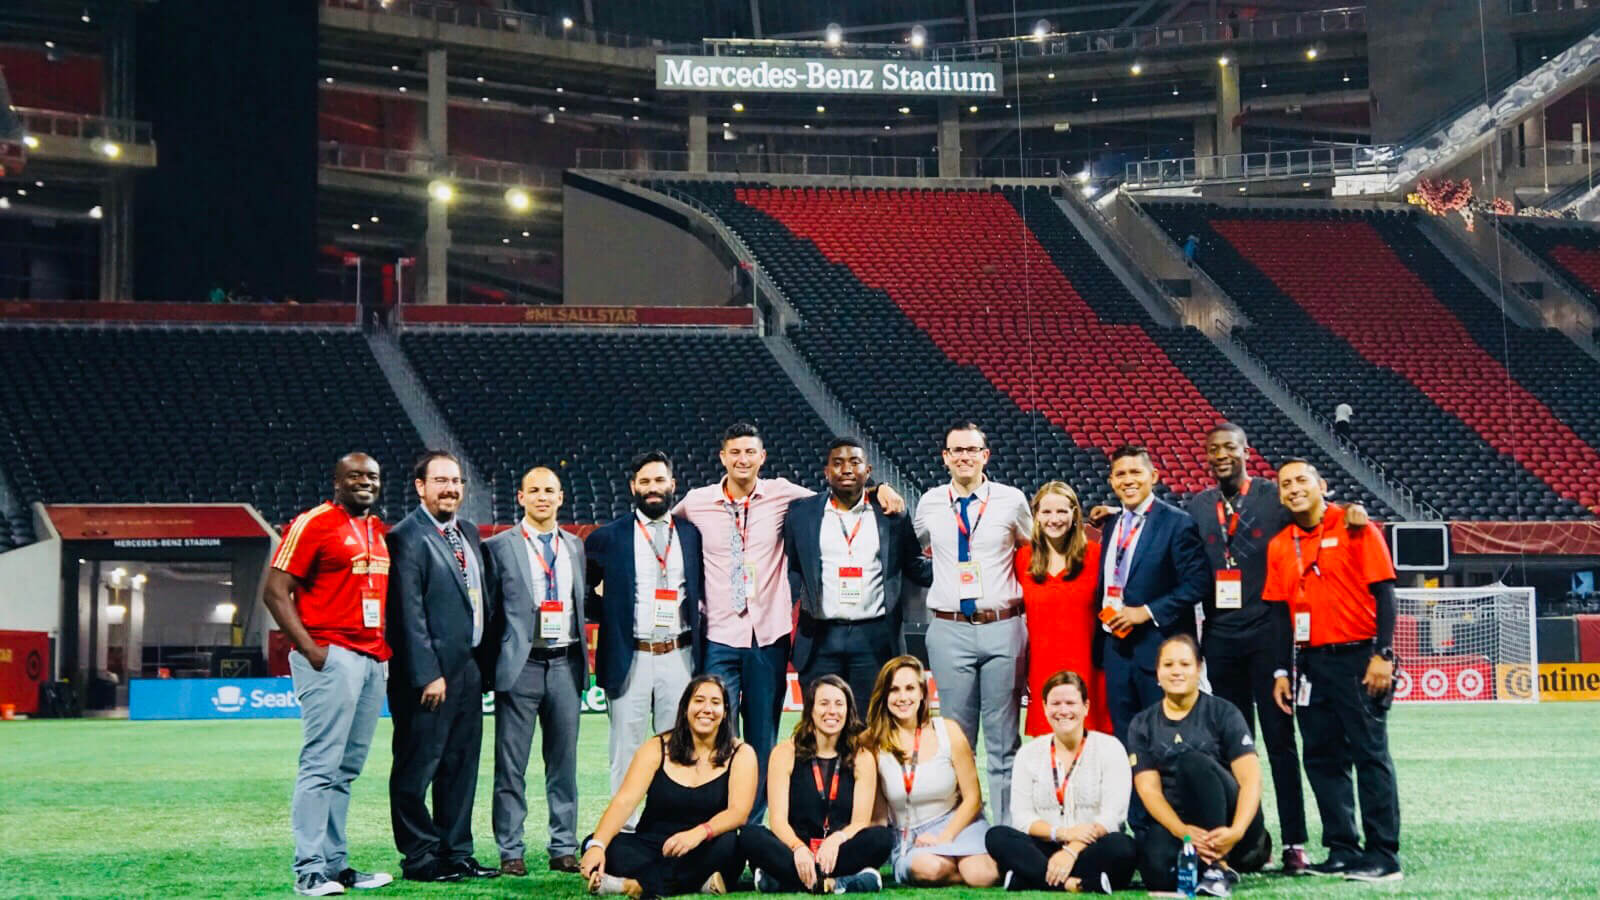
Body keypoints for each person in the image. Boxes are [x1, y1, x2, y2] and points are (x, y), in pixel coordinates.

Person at [675, 422, 902, 822]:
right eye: (735, 453)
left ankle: (754, 822)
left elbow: (840, 491)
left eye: (750, 453)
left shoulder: (784, 495)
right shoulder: (696, 502)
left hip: (768, 636)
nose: (743, 460)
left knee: (763, 735)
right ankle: (713, 817)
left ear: (762, 458)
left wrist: (877, 487)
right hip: (719, 637)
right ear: (723, 458)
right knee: (712, 730)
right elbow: (661, 527)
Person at [1183, 424, 1368, 874]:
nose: (1221, 454)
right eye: (1213, 450)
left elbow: (1315, 513)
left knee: (1281, 743)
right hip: (1221, 638)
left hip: (1269, 636)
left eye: (1230, 447)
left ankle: (1295, 842)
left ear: (1246, 451)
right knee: (1232, 746)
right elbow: (1166, 530)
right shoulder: (1198, 505)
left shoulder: (1271, 496)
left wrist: (1351, 512)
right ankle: (1248, 839)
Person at [262, 452, 395, 897]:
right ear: (337, 481)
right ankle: (309, 870)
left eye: (372, 476)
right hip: (333, 655)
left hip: (373, 658)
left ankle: (337, 866)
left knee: (346, 769)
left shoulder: (376, 530)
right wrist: (312, 650)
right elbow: (275, 591)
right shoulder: (313, 522)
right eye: (355, 475)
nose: (365, 482)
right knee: (321, 764)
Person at [1266, 459, 1402, 883]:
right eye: (1285, 484)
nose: (1293, 489)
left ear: (1322, 485)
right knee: (1322, 757)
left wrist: (1384, 654)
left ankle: (1383, 855)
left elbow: (1385, 593)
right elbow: (1276, 616)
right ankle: (1342, 848)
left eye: (1301, 480)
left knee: (1369, 754)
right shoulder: (1280, 544)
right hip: (1308, 662)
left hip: (1359, 658)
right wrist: (1280, 672)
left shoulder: (1357, 526)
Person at [912, 422, 1032, 825]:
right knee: (956, 741)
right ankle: (962, 828)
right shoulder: (929, 503)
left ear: (986, 455)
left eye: (971, 449)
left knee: (1003, 741)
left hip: (1003, 625)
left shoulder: (1011, 501)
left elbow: (1036, 548)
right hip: (949, 629)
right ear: (945, 457)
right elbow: (915, 551)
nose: (963, 456)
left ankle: (1005, 831)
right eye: (955, 450)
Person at [385, 450, 497, 882]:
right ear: (420, 486)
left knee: (461, 765)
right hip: (428, 677)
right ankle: (419, 857)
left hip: (468, 670)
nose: (451, 488)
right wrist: (426, 673)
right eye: (441, 481)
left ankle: (456, 852)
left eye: (456, 481)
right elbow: (407, 615)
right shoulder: (405, 537)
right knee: (418, 767)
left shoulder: (467, 531)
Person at [585, 451, 707, 814]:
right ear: (633, 487)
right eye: (645, 482)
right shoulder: (606, 537)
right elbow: (586, 596)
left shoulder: (691, 534)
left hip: (680, 655)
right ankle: (624, 830)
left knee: (680, 747)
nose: (653, 489)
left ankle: (671, 825)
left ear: (673, 485)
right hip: (630, 655)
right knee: (626, 748)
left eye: (659, 481)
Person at [481, 466, 588, 876]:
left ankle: (563, 845)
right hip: (520, 667)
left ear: (561, 498)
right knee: (511, 766)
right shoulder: (498, 547)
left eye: (550, 490)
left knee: (564, 764)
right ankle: (511, 849)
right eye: (534, 490)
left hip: (565, 663)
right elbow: (491, 615)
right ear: (521, 498)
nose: (542, 497)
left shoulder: (575, 547)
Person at [784, 437, 930, 709]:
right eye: (837, 463)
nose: (847, 469)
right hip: (819, 637)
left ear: (869, 470)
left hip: (874, 637)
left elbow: (914, 564)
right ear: (826, 472)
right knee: (821, 726)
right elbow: (792, 567)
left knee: (869, 727)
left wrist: (953, 569)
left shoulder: (891, 514)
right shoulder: (801, 514)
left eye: (855, 462)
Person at [578, 675, 757, 897]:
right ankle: (697, 883)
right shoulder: (656, 747)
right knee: (598, 842)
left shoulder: (741, 753)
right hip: (653, 846)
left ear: (726, 712)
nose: (707, 709)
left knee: (730, 844)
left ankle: (632, 885)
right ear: (685, 709)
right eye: (699, 700)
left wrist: (698, 834)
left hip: (704, 845)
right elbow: (624, 801)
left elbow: (738, 813)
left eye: (715, 702)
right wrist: (597, 845)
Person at [1128, 635, 1271, 898]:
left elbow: (1251, 780)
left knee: (1190, 761)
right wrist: (1182, 832)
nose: (1176, 671)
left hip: (1233, 823)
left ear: (1199, 668)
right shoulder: (1142, 724)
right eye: (1168, 665)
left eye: (1185, 664)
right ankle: (1206, 863)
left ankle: (1218, 867)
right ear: (1158, 672)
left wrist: (1237, 831)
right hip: (1182, 824)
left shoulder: (1224, 713)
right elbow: (1149, 790)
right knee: (1157, 875)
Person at [1093, 445, 1210, 742]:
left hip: (1159, 651)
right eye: (1120, 474)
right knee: (1125, 740)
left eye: (1136, 472)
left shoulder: (1178, 523)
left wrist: (1145, 611)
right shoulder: (1112, 525)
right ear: (1111, 481)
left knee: (1165, 740)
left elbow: (1197, 583)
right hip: (1116, 652)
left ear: (1153, 476)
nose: (1128, 480)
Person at [985, 670, 1136, 894]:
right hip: (1045, 844)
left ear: (1085, 707)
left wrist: (1071, 850)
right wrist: (1063, 834)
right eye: (1055, 703)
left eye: (1070, 703)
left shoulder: (1110, 747)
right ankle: (1076, 884)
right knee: (997, 836)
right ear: (1044, 707)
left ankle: (1030, 877)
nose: (1063, 710)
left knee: (1123, 847)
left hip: (1091, 845)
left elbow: (1112, 816)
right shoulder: (1029, 753)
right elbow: (1023, 818)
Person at [739, 675, 893, 894]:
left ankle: (785, 881)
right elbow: (778, 821)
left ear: (848, 711)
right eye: (823, 703)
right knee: (749, 836)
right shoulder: (785, 753)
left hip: (840, 849)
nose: (832, 711)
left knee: (882, 838)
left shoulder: (862, 757)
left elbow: (860, 822)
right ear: (810, 710)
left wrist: (836, 840)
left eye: (839, 704)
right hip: (796, 848)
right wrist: (798, 848)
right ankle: (838, 883)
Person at [863, 655, 998, 887]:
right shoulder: (870, 742)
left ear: (922, 692)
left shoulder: (948, 731)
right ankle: (956, 867)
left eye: (910, 688)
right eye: (894, 689)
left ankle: (966, 865)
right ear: (884, 695)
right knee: (930, 868)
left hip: (958, 822)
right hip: (909, 834)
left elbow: (973, 798)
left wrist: (945, 837)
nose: (903, 697)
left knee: (982, 875)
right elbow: (876, 812)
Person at [1016, 482, 1110, 737]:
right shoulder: (1022, 558)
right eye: (1046, 512)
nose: (1054, 519)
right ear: (1035, 516)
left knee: (1091, 747)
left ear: (1074, 515)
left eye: (1062, 512)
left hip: (1089, 669)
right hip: (1042, 668)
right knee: (1048, 752)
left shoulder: (1096, 555)